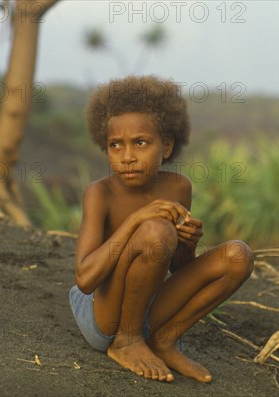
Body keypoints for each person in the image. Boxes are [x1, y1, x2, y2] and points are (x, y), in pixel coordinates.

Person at [69, 75, 254, 383]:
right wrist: (136, 221)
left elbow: (177, 267)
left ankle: (165, 339)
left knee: (238, 255)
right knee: (155, 230)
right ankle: (126, 342)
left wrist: (189, 244)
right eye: (116, 145)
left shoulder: (178, 187)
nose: (127, 157)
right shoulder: (100, 193)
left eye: (140, 143)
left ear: (166, 146)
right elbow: (86, 279)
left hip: (144, 308)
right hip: (101, 313)